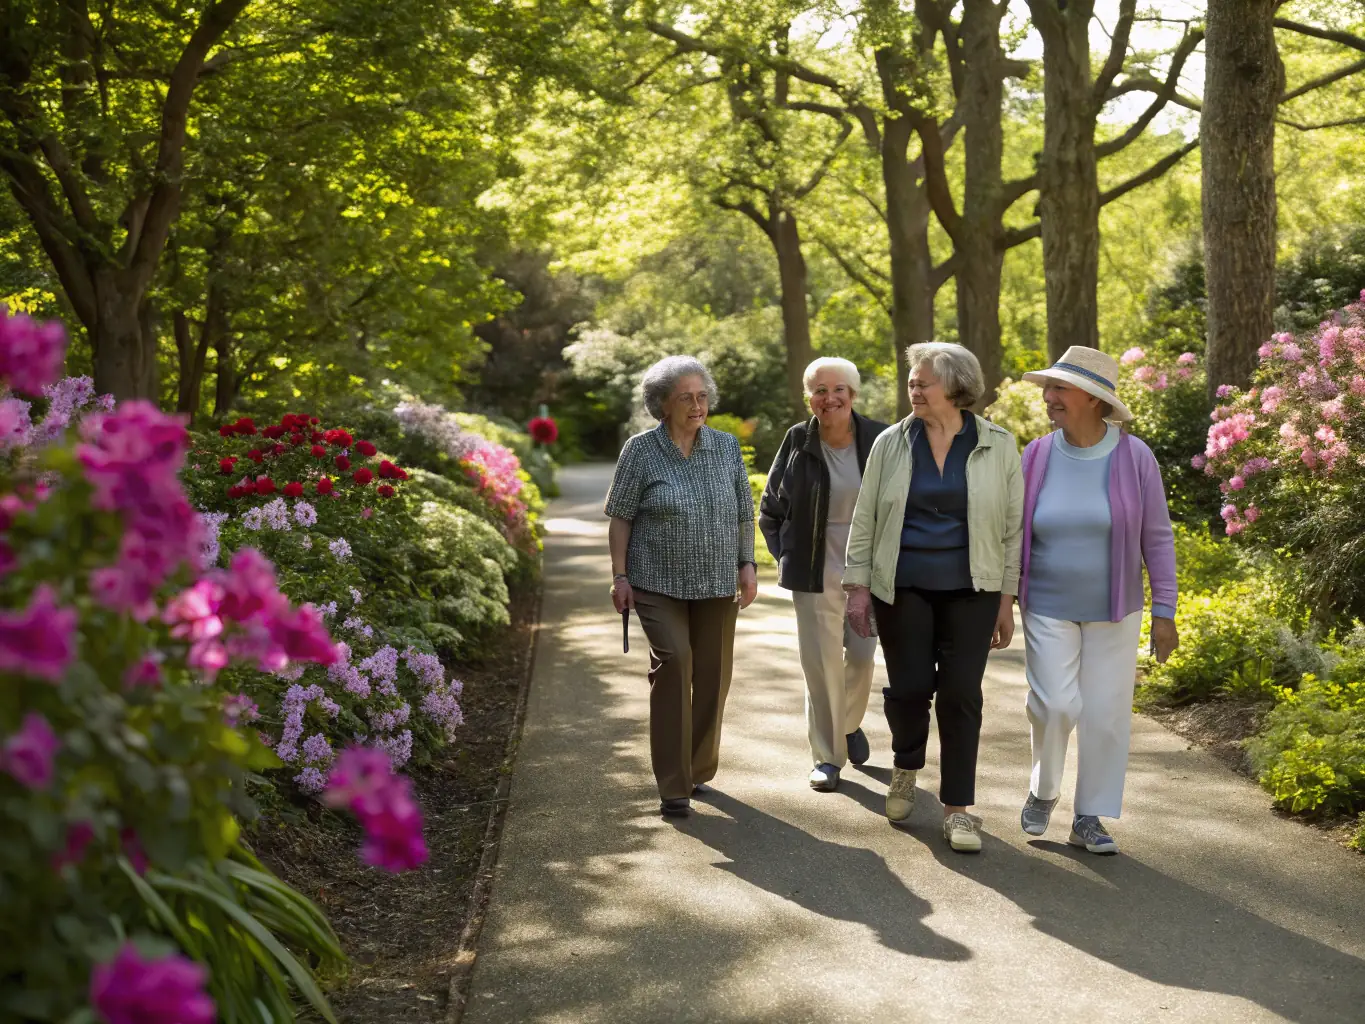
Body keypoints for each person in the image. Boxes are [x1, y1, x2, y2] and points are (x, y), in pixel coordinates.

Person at [843, 342, 1022, 853]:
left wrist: (1007, 598)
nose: (914, 390)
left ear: (956, 386)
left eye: (924, 382)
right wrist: (857, 587)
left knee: (962, 693)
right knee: (910, 688)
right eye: (912, 382)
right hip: (903, 586)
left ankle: (958, 810)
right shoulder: (891, 443)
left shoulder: (998, 445)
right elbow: (865, 516)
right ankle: (905, 768)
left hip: (974, 588)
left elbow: (1013, 529)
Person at [1016, 345, 1179, 855]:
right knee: (1055, 704)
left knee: (1105, 716)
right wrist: (1002, 596)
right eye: (1048, 387)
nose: (1048, 396)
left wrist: (1165, 612)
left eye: (1059, 388)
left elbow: (1158, 537)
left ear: (1092, 398)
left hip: (1115, 608)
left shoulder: (1135, 456)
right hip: (1046, 603)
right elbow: (1013, 531)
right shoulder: (1036, 455)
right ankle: (1044, 789)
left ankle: (1089, 816)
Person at [605, 356, 759, 818]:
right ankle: (673, 785)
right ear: (662, 404)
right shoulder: (640, 450)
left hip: (716, 582)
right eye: (685, 398)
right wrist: (619, 576)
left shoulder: (725, 447)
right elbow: (621, 517)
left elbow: (743, 513)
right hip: (656, 582)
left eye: (702, 396)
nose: (697, 406)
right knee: (675, 662)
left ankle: (697, 768)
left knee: (713, 675)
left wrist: (747, 564)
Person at [759, 357, 888, 792]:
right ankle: (828, 757)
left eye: (838, 390)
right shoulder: (798, 438)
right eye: (819, 390)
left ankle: (847, 724)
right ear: (808, 397)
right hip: (814, 566)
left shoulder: (881, 438)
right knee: (821, 664)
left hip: (868, 566)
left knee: (863, 657)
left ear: (853, 394)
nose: (829, 398)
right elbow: (771, 506)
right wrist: (786, 555)